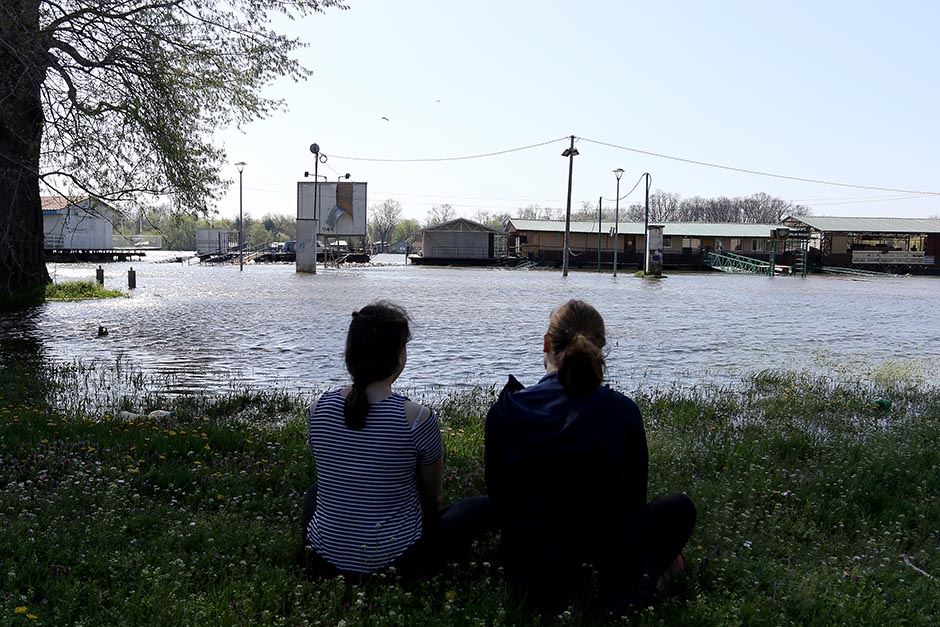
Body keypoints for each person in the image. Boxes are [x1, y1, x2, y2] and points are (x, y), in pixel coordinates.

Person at [485, 299, 696, 612]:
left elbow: (500, 501)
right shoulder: (623, 412)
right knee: (679, 508)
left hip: (532, 577)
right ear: (601, 350)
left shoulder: (505, 410)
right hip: (608, 576)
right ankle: (649, 580)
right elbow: (634, 502)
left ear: (546, 344)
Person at [301, 300, 490, 576]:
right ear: (399, 356)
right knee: (479, 508)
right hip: (396, 561)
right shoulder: (417, 418)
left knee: (315, 492)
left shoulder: (316, 410)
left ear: (350, 353)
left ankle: (336, 546)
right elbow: (433, 499)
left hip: (324, 560)